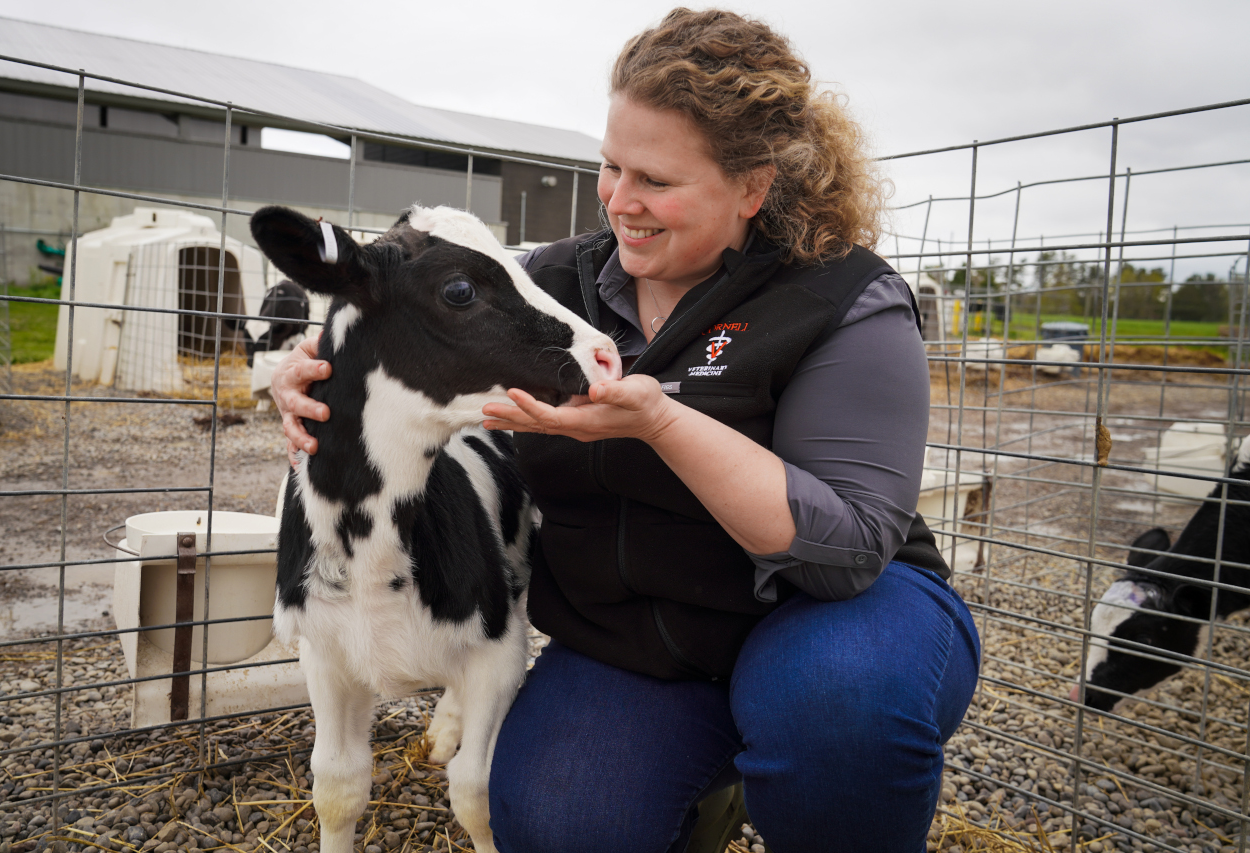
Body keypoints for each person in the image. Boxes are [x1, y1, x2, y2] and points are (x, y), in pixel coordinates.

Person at [271, 9, 979, 852]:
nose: (620, 200)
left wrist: (661, 422)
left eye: (656, 180)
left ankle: (791, 765)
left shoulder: (842, 299)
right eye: (610, 165)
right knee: (559, 821)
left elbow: (852, 546)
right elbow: (411, 301)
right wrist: (313, 369)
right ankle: (711, 785)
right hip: (645, 636)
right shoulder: (549, 285)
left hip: (830, 617)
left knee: (834, 710)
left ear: (752, 186)